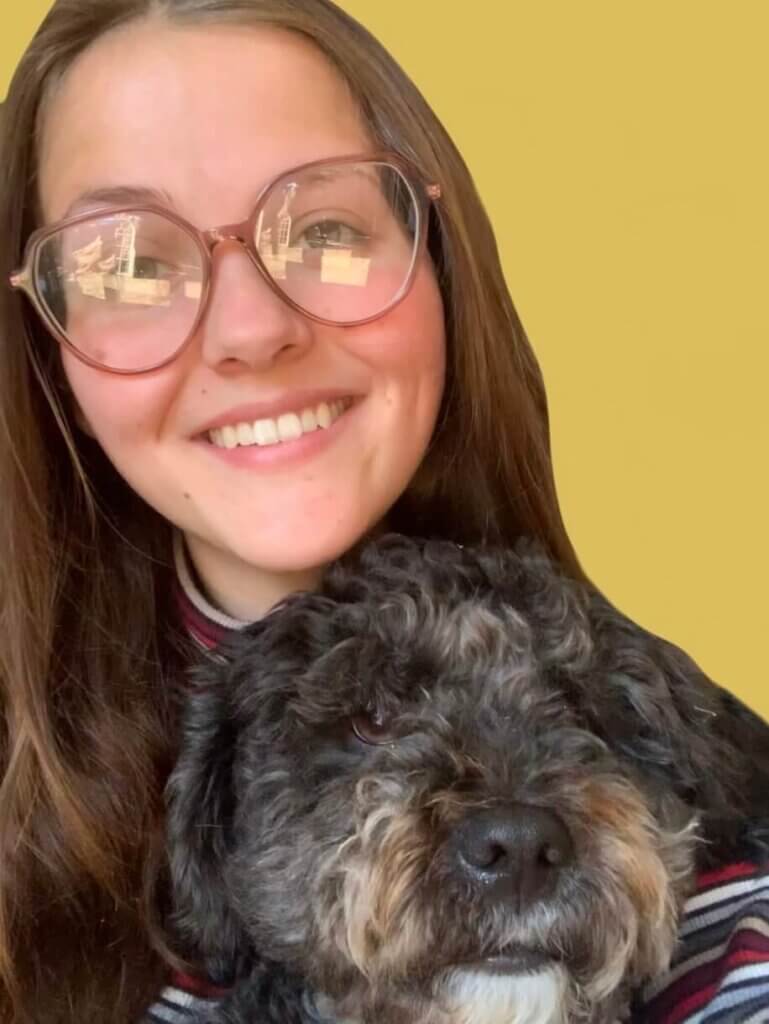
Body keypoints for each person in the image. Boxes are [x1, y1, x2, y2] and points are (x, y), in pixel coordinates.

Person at [0, 1, 766, 1022]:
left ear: (436, 263)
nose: (251, 327)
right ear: (50, 350)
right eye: (130, 263)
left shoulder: (693, 791)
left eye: (322, 228)